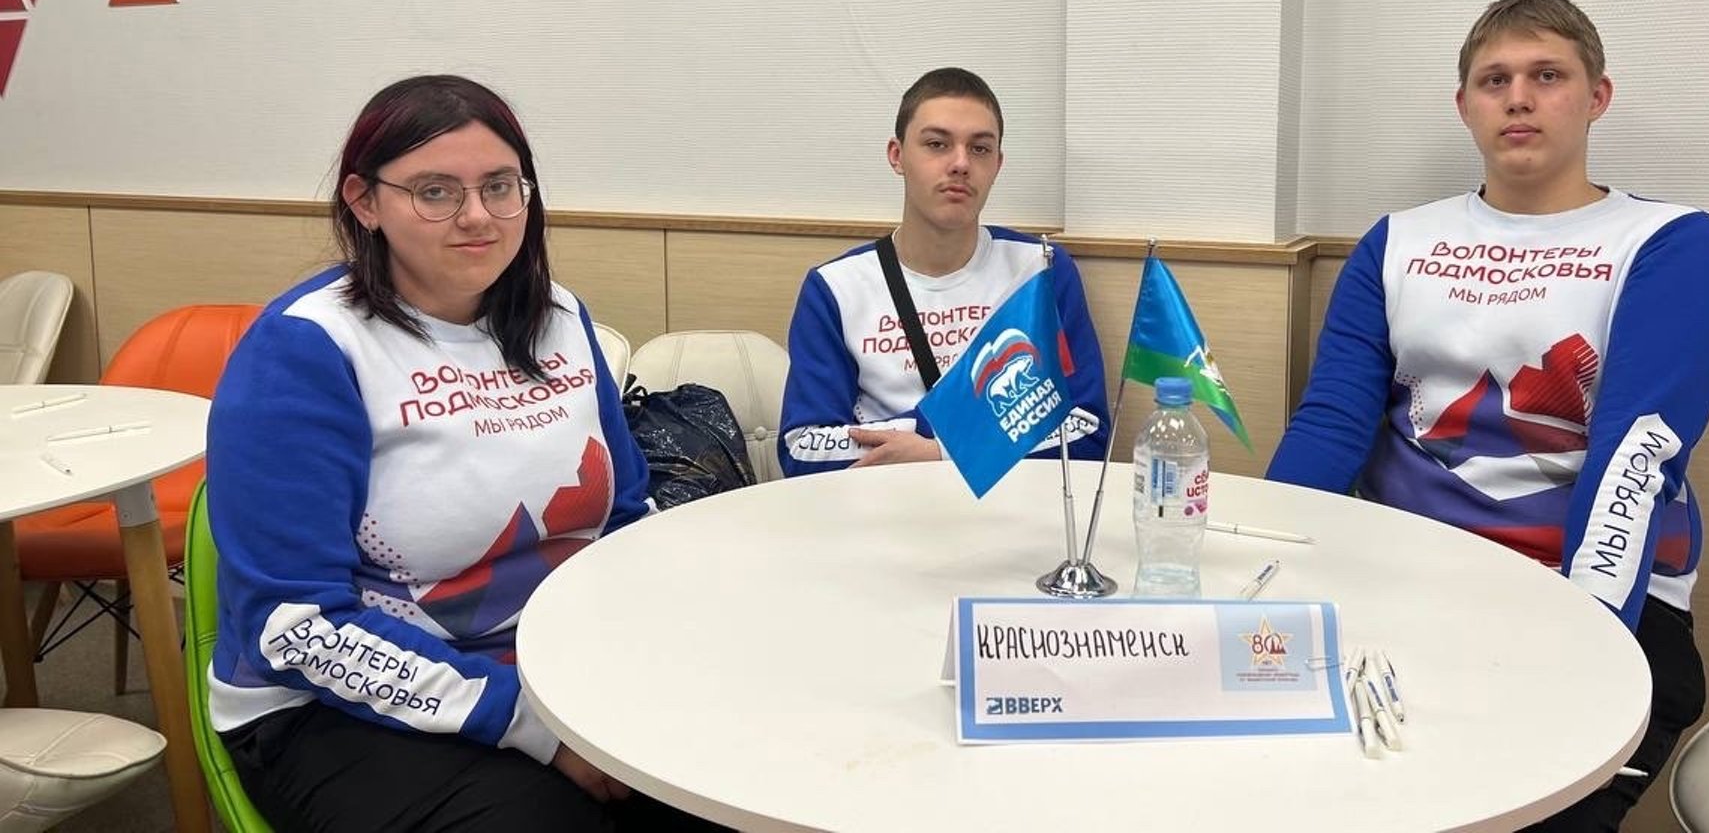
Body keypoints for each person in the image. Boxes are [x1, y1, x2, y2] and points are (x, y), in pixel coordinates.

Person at [1266, 0, 1709, 830]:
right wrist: (1259, 578)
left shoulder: (1669, 242)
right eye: (1495, 80)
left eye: (1547, 76)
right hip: (1401, 576)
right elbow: (1332, 424)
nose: (1518, 98)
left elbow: (1633, 463)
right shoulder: (1398, 241)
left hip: (1589, 593)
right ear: (1465, 105)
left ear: (1596, 96)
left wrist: (1583, 640)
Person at [205, 76, 721, 831]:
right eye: (435, 192)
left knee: (737, 776)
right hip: (339, 703)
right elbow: (295, 627)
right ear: (364, 201)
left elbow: (623, 516)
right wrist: (535, 726)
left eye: (499, 187)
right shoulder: (306, 350)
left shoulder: (560, 317)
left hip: (559, 662)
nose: (477, 216)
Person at [778, 67, 1110, 477]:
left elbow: (1087, 432)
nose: (960, 164)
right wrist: (992, 430)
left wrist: (940, 450)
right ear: (897, 156)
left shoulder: (1040, 268)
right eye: (937, 144)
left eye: (980, 149)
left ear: (998, 164)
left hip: (1010, 507)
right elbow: (803, 450)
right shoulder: (836, 288)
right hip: (883, 506)